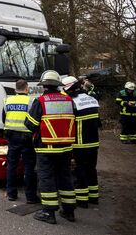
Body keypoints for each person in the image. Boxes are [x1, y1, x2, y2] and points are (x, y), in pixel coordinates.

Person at [25, 70, 76, 224]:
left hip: (46, 148)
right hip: (66, 148)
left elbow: (30, 125)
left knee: (46, 178)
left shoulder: (40, 101)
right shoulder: (69, 100)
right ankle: (69, 211)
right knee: (65, 177)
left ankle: (49, 212)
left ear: (44, 85)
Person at [62, 76, 101, 208]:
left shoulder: (72, 102)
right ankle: (94, 197)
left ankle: (82, 200)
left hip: (80, 143)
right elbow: (98, 123)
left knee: (80, 170)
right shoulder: (92, 99)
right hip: (94, 142)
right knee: (91, 169)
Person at [3, 79, 38, 204]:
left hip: (11, 137)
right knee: (29, 167)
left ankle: (11, 194)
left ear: (15, 89)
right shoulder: (31, 101)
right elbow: (35, 121)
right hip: (27, 138)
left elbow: (4, 118)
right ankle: (31, 197)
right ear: (27, 88)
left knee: (12, 166)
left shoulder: (7, 100)